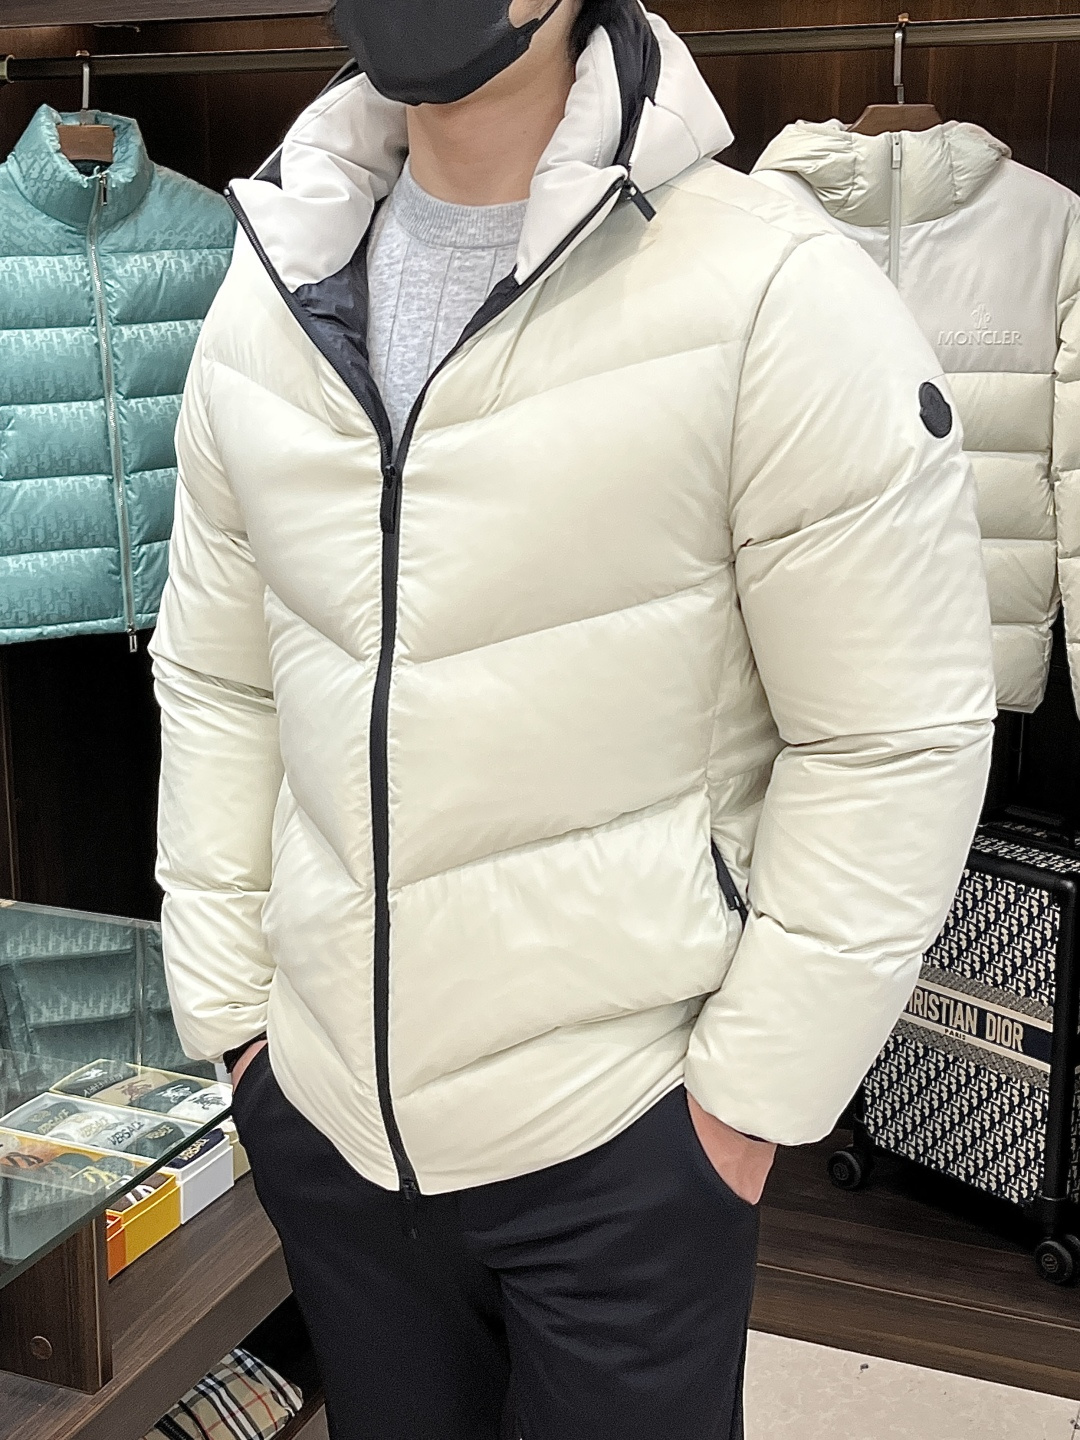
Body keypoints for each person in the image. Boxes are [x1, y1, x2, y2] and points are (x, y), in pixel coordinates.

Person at [151, 1, 996, 1436]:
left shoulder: (771, 287)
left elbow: (892, 733)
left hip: (623, 1145)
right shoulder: (272, 288)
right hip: (333, 1130)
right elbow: (223, 678)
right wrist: (236, 1019)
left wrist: (742, 1109)